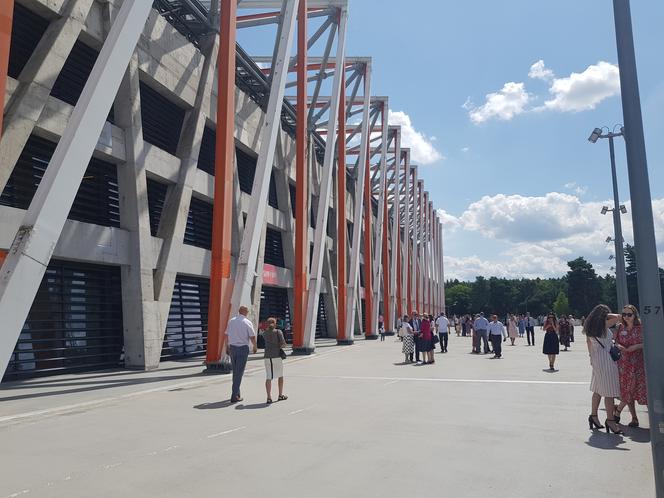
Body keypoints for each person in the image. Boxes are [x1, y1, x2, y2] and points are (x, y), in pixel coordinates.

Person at [584, 304, 623, 434]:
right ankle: (610, 420)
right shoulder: (603, 325)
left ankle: (594, 415)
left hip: (596, 358)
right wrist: (608, 315)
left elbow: (588, 343)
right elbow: (619, 317)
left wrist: (591, 357)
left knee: (598, 389)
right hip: (606, 359)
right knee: (609, 391)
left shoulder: (590, 326)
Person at [614, 304, 647, 428]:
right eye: (624, 314)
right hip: (624, 363)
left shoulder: (640, 328)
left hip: (638, 362)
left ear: (635, 315)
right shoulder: (620, 327)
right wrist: (619, 346)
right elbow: (615, 341)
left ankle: (618, 410)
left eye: (629, 314)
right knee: (629, 389)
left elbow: (647, 342)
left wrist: (637, 346)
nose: (626, 317)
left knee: (633, 388)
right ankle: (634, 417)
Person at [225, 305, 258, 403]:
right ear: (245, 312)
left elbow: (226, 335)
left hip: (233, 348)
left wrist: (226, 346)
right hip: (242, 348)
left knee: (235, 372)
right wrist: (255, 346)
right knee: (239, 372)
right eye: (247, 312)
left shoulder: (231, 321)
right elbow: (252, 336)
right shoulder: (247, 322)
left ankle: (237, 393)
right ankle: (234, 395)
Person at [262, 317, 287, 404]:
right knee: (280, 376)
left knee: (268, 377)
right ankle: (280, 395)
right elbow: (283, 344)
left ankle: (269, 397)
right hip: (276, 356)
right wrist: (279, 346)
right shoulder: (278, 332)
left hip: (267, 357)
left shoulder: (264, 333)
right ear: (275, 323)